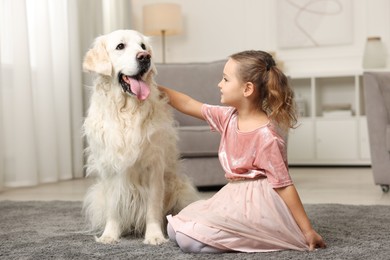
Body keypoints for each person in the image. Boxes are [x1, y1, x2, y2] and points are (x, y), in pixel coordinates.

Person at [159, 50, 326, 253]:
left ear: (247, 89)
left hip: (258, 205)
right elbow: (187, 103)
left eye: (226, 79)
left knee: (187, 241)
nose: (219, 84)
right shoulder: (228, 117)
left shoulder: (267, 136)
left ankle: (253, 237)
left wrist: (307, 230)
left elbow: (285, 186)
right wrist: (152, 89)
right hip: (233, 196)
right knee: (173, 228)